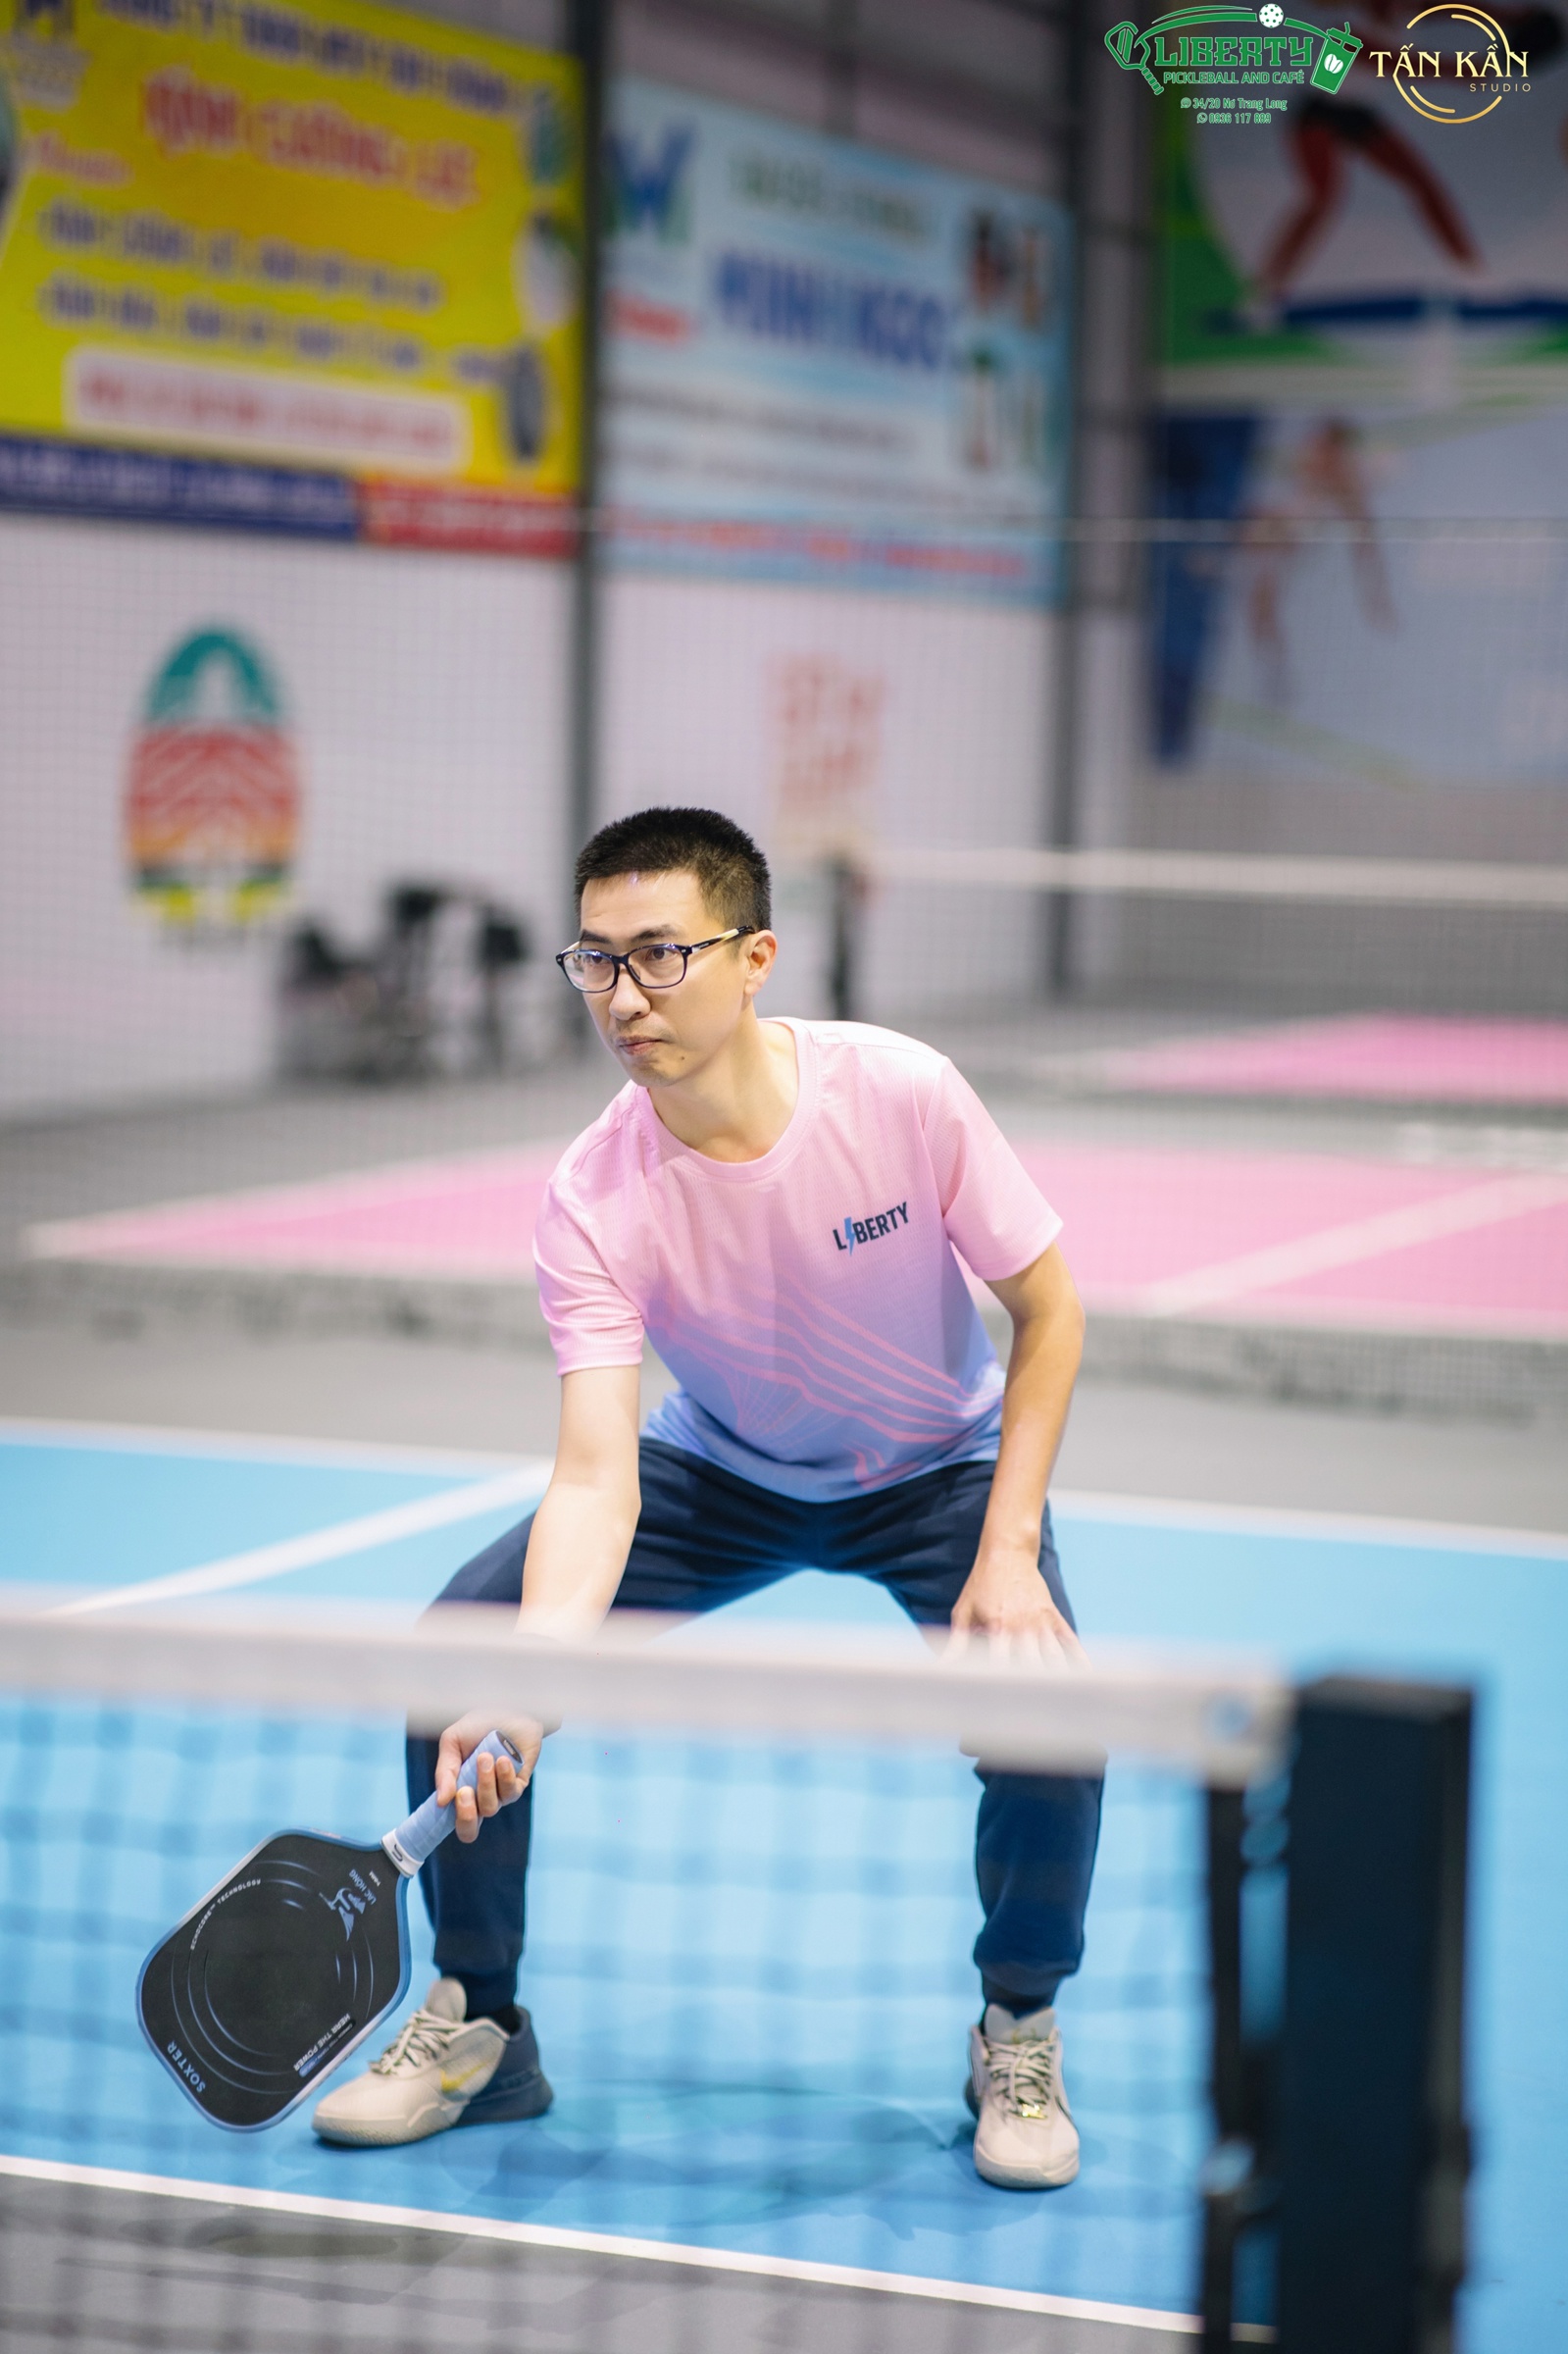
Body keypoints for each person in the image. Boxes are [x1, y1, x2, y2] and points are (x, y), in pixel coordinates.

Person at [313, 806, 1101, 2190]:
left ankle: (1017, 2026)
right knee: (463, 1658)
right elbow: (594, 1470)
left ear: (755, 958)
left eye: (661, 954)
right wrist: (533, 1674)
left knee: (1053, 1714)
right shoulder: (593, 1194)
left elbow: (1051, 1312)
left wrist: (1011, 1549)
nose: (625, 996)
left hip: (935, 1472)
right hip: (722, 1469)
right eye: (597, 959)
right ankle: (482, 2024)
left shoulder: (899, 1094)